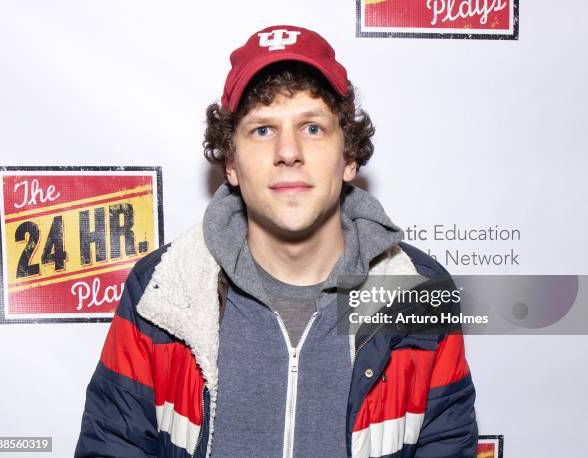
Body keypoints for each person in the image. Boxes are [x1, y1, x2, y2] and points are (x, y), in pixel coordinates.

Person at [75, 25, 478, 457]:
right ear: (230, 163)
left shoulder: (416, 292)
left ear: (349, 158)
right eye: (263, 130)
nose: (288, 151)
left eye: (313, 128)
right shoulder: (161, 289)